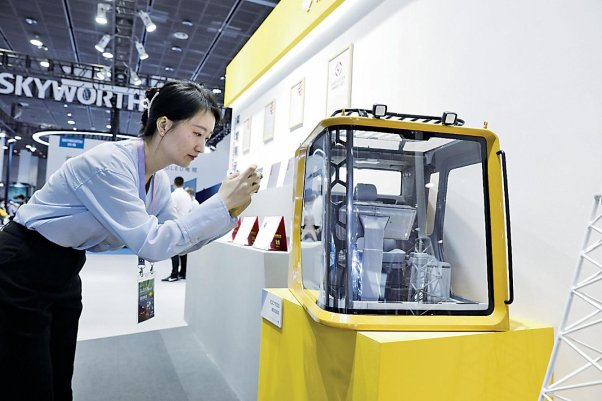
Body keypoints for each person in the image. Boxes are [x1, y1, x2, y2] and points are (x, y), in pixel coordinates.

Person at [0, 80, 262, 401]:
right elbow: (153, 243)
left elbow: (177, 238)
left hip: (65, 268)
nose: (201, 146)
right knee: (28, 382)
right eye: (197, 133)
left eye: (207, 138)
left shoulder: (159, 181)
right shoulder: (111, 164)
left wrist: (228, 209)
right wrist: (220, 204)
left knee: (60, 378)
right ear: (163, 124)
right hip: (22, 264)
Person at [162, 176, 192, 282]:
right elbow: (190, 210)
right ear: (183, 184)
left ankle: (174, 274)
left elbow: (171, 210)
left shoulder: (174, 195)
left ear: (174, 184)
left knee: (173, 250)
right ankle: (183, 273)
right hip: (186, 224)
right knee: (184, 250)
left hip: (176, 224)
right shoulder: (187, 195)